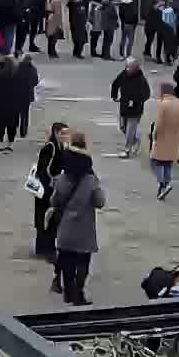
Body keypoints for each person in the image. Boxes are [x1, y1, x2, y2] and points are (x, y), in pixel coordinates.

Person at [48, 131, 105, 305]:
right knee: (83, 265)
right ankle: (78, 293)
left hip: (65, 230)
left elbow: (54, 201)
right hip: (85, 232)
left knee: (67, 263)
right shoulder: (91, 181)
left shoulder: (61, 180)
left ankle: (67, 292)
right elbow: (100, 202)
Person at [32, 123, 71, 259]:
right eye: (62, 134)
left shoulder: (62, 147)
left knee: (52, 218)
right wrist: (51, 184)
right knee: (45, 218)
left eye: (67, 134)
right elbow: (42, 170)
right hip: (45, 189)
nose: (65, 136)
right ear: (55, 133)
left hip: (54, 188)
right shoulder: (50, 148)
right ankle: (44, 249)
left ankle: (46, 247)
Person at [149, 83, 179, 200]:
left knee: (155, 162)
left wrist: (154, 135)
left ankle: (162, 183)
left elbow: (159, 123)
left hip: (162, 137)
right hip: (175, 138)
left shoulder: (163, 104)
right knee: (168, 163)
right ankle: (166, 183)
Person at [110, 58, 149, 159]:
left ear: (135, 68)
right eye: (126, 67)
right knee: (123, 127)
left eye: (129, 67)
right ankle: (135, 140)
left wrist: (136, 101)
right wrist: (114, 95)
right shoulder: (124, 74)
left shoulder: (141, 79)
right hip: (124, 106)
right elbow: (115, 83)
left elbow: (146, 94)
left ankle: (127, 150)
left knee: (130, 130)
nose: (127, 69)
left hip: (135, 110)